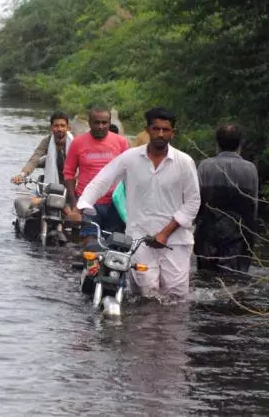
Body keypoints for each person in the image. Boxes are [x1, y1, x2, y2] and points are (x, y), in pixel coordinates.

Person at [76, 107, 200, 301]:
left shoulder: (184, 162)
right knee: (145, 294)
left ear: (172, 133)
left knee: (176, 297)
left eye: (165, 130)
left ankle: (170, 333)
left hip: (175, 241)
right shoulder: (130, 158)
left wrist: (165, 233)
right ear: (147, 130)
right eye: (156, 128)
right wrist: (82, 207)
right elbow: (101, 182)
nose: (160, 134)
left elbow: (193, 202)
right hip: (139, 240)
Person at [195, 123, 259, 275]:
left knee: (206, 278)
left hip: (208, 234)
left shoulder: (204, 166)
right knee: (236, 280)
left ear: (217, 144)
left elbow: (196, 202)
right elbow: (253, 207)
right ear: (240, 144)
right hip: (239, 235)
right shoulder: (250, 169)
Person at [64, 106, 129, 240]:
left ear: (110, 123)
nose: (100, 126)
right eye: (96, 122)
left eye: (104, 123)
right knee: (90, 246)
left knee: (116, 245)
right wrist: (74, 202)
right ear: (89, 122)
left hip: (115, 204)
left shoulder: (121, 142)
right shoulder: (77, 143)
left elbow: (128, 173)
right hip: (88, 204)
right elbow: (69, 173)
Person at [11, 111, 73, 186]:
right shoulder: (47, 141)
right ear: (51, 127)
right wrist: (21, 175)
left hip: (71, 179)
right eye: (56, 126)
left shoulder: (74, 141)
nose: (59, 129)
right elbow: (34, 159)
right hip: (52, 179)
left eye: (62, 126)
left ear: (67, 127)